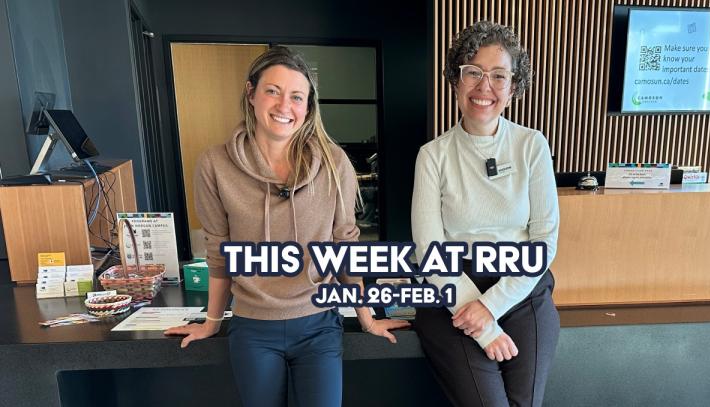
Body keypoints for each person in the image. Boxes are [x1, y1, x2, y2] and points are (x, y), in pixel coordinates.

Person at [165, 46, 408, 407]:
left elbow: (346, 249)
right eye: (272, 91)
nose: (284, 107)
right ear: (251, 94)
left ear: (308, 107)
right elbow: (219, 255)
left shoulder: (333, 161)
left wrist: (367, 318)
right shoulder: (214, 164)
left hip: (318, 326)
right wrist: (212, 321)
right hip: (253, 329)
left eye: (297, 97)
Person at [412, 21, 560, 407]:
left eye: (498, 75)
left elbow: (544, 239)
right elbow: (431, 249)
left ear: (513, 88)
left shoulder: (532, 145)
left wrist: (491, 307)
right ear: (456, 81)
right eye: (473, 72)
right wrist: (483, 326)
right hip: (451, 292)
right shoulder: (433, 156)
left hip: (522, 287)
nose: (484, 86)